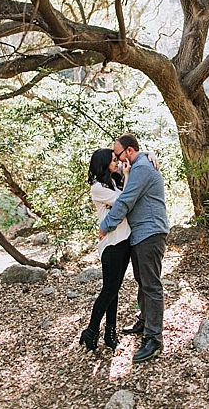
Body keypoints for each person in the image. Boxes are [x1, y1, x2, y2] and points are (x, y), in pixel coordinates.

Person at [100, 134, 167, 363]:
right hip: (140, 234)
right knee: (142, 280)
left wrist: (106, 226)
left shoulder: (142, 169)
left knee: (151, 284)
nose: (117, 161)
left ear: (128, 151)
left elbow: (126, 200)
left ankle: (154, 337)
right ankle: (145, 321)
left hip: (150, 232)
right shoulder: (137, 165)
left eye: (117, 155)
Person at [79, 148, 130, 351]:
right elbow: (124, 202)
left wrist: (124, 175)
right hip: (111, 244)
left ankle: (110, 334)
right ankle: (91, 331)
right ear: (103, 164)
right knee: (108, 290)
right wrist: (125, 174)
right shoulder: (97, 188)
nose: (116, 161)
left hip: (124, 240)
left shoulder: (113, 183)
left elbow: (127, 198)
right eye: (112, 159)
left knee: (114, 290)